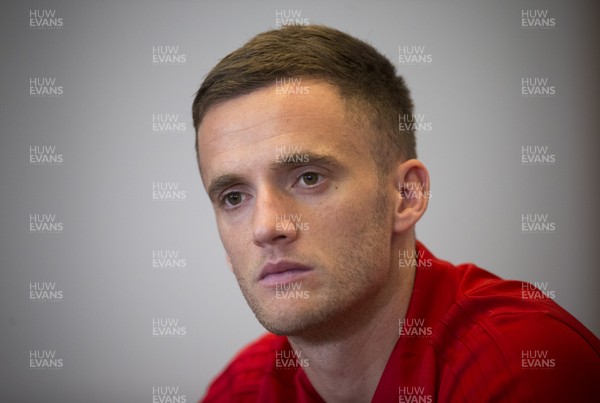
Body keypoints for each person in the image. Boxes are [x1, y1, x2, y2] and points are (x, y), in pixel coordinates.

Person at [192, 25, 600, 402]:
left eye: (309, 177)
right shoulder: (240, 389)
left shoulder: (519, 364)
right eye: (233, 198)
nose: (265, 228)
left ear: (406, 195)